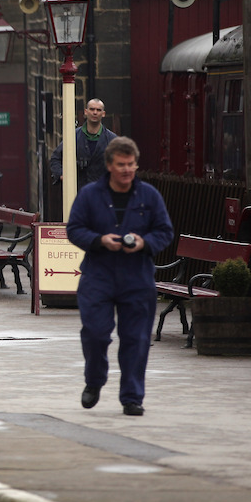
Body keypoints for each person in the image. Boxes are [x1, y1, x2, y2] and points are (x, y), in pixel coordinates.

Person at [67, 137, 174, 417]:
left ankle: (132, 397)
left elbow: (165, 231)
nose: (127, 170)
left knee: (136, 339)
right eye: (121, 165)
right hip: (98, 275)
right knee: (95, 333)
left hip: (136, 277)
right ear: (109, 166)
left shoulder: (149, 196)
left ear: (136, 164)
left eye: (131, 165)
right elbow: (74, 229)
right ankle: (94, 380)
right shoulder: (90, 195)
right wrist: (100, 240)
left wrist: (144, 243)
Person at [49, 98, 118, 190]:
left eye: (98, 110)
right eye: (92, 109)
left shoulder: (112, 140)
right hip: (78, 192)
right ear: (86, 112)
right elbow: (55, 158)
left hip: (103, 193)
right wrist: (62, 175)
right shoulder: (73, 137)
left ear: (103, 114)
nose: (95, 113)